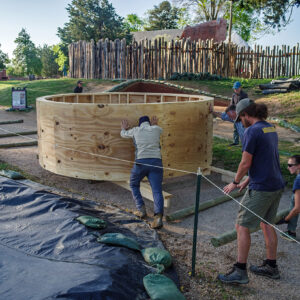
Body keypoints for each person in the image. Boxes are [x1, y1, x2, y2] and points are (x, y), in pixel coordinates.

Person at [218, 98, 285, 284]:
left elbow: (246, 162)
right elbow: (266, 158)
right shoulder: (269, 128)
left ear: (246, 115)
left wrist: (235, 181)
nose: (240, 122)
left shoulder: (251, 131)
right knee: (266, 223)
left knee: (241, 226)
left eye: (240, 118)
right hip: (276, 184)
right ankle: (271, 266)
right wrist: (248, 180)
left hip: (262, 188)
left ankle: (240, 271)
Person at [120, 115, 164, 229]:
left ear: (139, 124)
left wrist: (124, 128)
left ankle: (141, 210)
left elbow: (123, 135)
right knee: (157, 190)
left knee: (134, 184)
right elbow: (158, 130)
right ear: (149, 123)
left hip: (141, 163)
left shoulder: (135, 130)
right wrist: (154, 125)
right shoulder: (157, 129)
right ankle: (158, 217)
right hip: (156, 163)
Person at [276, 155, 300, 241]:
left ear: (298, 166)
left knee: (295, 203)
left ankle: (291, 232)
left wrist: (285, 219)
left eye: (290, 165)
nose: (288, 167)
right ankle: (291, 231)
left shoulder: (298, 180)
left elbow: (297, 208)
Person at [230, 81, 248, 146]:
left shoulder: (244, 95)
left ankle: (245, 142)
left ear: (240, 88)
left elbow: (246, 105)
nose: (235, 90)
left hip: (242, 115)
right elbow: (232, 104)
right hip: (235, 115)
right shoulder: (234, 95)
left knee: (243, 129)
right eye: (234, 89)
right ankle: (235, 141)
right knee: (235, 128)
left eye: (237, 88)